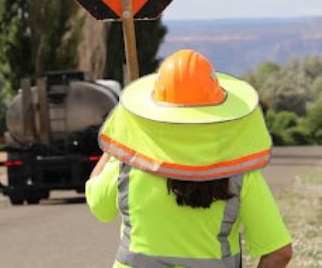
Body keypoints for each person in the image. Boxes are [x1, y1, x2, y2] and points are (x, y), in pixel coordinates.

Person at [86, 49, 293, 268]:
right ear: (222, 114)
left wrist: (119, 145)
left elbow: (99, 207)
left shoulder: (128, 165)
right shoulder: (239, 173)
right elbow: (279, 253)